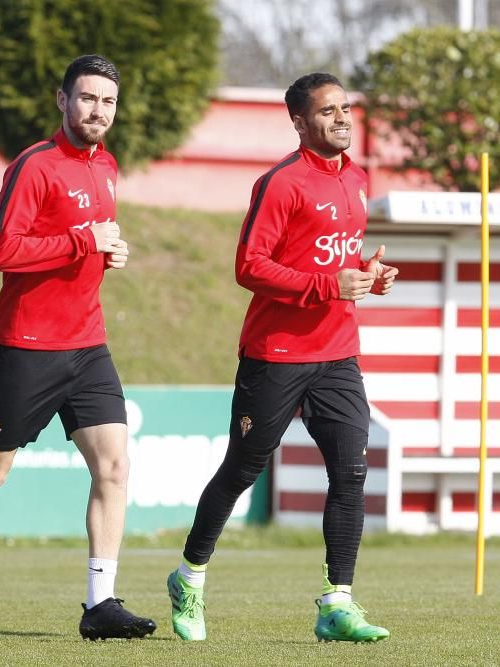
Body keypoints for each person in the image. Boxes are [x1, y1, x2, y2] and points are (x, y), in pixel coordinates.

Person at [0, 54, 156, 642]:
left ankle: (100, 602)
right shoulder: (35, 166)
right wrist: (79, 241)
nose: (98, 110)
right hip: (26, 345)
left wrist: (108, 252)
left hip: (88, 345)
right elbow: (1, 250)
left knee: (114, 466)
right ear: (62, 100)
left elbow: (87, 241)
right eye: (87, 98)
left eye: (108, 102)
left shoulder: (109, 166)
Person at [166, 72, 397, 644]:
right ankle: (189, 575)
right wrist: (328, 284)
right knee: (244, 468)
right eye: (327, 111)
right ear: (299, 122)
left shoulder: (359, 180)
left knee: (350, 471)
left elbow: (334, 261)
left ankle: (337, 603)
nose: (342, 118)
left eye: (346, 108)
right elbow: (250, 266)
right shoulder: (281, 183)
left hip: (338, 354)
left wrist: (367, 275)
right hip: (276, 354)